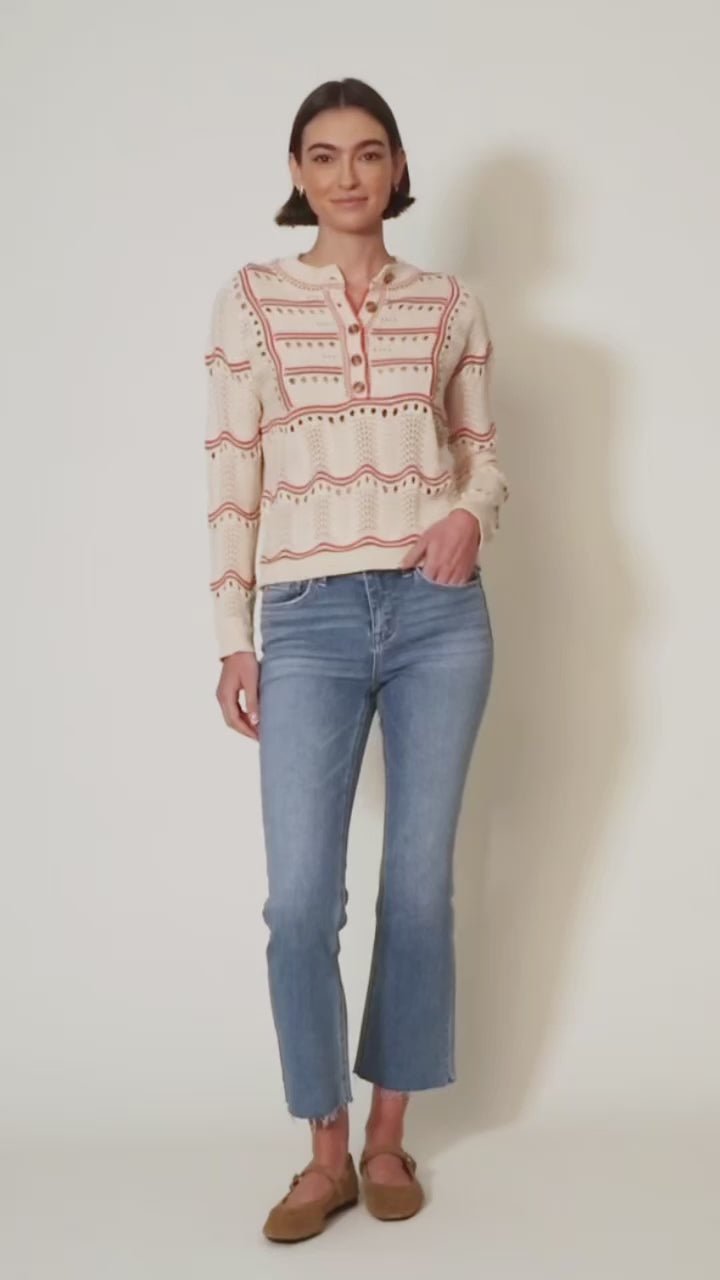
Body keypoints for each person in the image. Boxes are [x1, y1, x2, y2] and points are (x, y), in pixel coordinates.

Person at [203, 77, 509, 1243]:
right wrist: (232, 636)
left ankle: (387, 1138)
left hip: (439, 613)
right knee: (298, 901)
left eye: (369, 153)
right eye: (324, 155)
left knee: (419, 888)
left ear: (397, 168)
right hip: (308, 617)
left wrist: (470, 512)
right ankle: (322, 1150)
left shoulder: (450, 305)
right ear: (296, 171)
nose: (347, 174)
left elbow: (484, 455)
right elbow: (231, 473)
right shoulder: (250, 302)